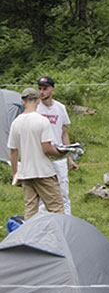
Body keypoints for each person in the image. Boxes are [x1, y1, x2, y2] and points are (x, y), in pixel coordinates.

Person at [7, 88, 67, 220]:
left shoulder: (15, 123)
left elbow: (13, 152)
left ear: (22, 102)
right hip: (43, 172)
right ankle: (57, 239)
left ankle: (29, 239)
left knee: (30, 210)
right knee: (56, 208)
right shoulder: (42, 121)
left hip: (25, 173)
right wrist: (61, 153)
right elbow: (46, 149)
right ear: (38, 101)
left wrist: (15, 174)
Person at [36, 76, 78, 215]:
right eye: (40, 89)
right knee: (42, 194)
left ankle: (67, 223)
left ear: (52, 90)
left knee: (63, 192)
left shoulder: (60, 108)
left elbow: (64, 132)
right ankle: (42, 224)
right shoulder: (36, 109)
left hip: (59, 154)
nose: (41, 92)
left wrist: (70, 157)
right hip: (42, 155)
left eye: (45, 89)